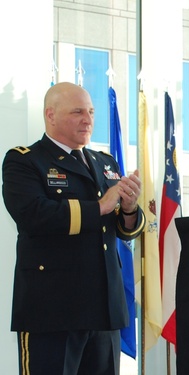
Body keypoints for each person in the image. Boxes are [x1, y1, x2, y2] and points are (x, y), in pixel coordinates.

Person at [2, 82, 146, 375]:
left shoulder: (104, 162)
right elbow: (34, 215)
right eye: (78, 112)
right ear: (50, 115)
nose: (88, 119)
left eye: (91, 112)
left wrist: (129, 208)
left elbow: (122, 229)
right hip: (52, 310)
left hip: (104, 309)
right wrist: (101, 206)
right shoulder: (25, 160)